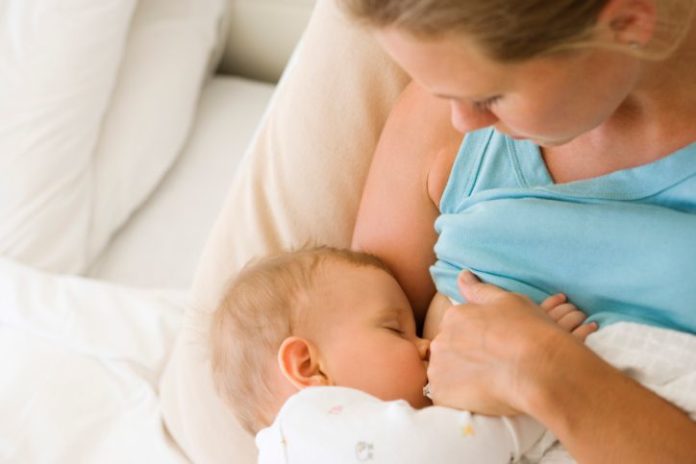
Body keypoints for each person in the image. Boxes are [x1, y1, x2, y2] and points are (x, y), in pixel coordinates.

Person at [343, 0, 696, 461]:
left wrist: (542, 369)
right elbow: (347, 385)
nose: (462, 122)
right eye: (441, 91)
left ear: (627, 22)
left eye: (490, 96)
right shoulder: (441, 128)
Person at [210, 246, 595, 462]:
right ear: (309, 367)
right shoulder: (312, 426)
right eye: (395, 330)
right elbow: (454, 448)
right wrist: (529, 369)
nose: (426, 345)